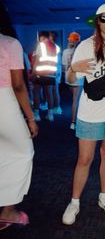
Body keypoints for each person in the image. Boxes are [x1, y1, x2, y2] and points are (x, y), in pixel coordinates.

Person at [62, 3, 105, 225]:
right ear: (98, 21)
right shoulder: (85, 46)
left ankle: (104, 196)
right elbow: (71, 81)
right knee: (84, 159)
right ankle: (75, 202)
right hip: (89, 114)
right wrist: (72, 70)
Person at [0, 30, 38, 231]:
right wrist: (30, 118)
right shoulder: (9, 43)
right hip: (3, 100)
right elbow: (18, 85)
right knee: (23, 153)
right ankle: (8, 211)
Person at [32, 31, 60, 122]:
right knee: (49, 93)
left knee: (36, 92)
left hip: (40, 73)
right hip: (51, 74)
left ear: (43, 37)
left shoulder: (41, 45)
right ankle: (50, 115)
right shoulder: (56, 47)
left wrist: (33, 72)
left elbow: (37, 61)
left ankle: (36, 115)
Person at [62, 32, 83, 130]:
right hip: (78, 78)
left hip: (68, 77)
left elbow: (63, 67)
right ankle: (73, 122)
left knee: (73, 100)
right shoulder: (81, 51)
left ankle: (74, 120)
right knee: (76, 101)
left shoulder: (65, 51)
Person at [49, 31, 62, 115]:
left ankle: (57, 108)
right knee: (52, 90)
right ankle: (55, 107)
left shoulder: (54, 47)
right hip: (53, 71)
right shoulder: (53, 46)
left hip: (54, 71)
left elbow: (54, 61)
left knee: (54, 90)